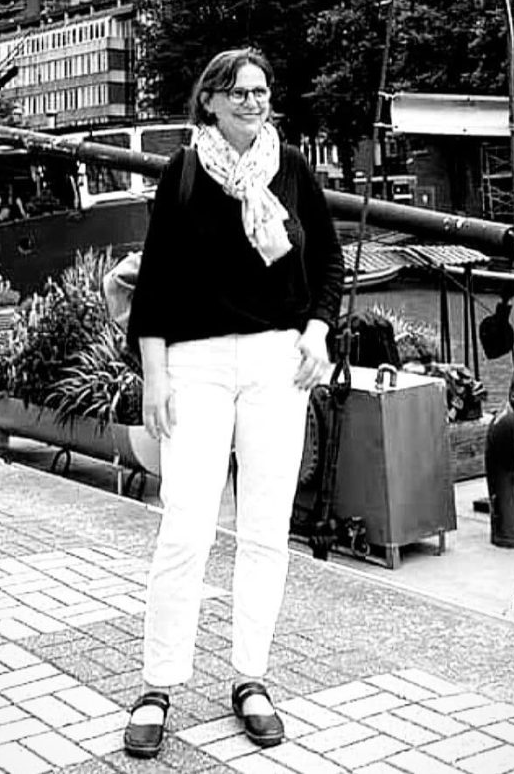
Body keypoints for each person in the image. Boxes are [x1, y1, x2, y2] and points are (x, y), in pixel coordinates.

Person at [123, 47, 344, 759]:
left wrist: (318, 330)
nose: (254, 101)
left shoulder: (292, 168)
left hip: (278, 364)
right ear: (211, 102)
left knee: (265, 530)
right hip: (197, 364)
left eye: (262, 89)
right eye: (240, 91)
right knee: (186, 527)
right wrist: (155, 376)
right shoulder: (186, 173)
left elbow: (329, 261)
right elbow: (156, 282)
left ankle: (250, 678)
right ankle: (158, 685)